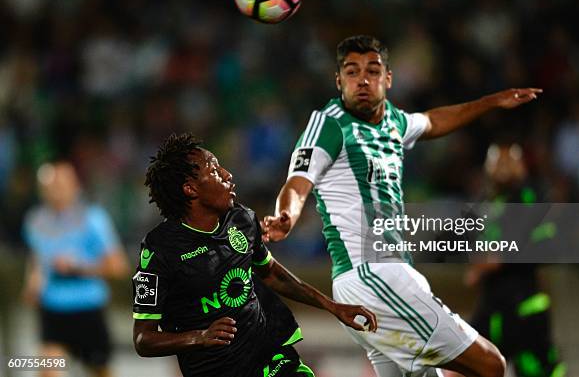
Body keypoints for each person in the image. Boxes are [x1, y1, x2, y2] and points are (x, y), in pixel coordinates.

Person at [261, 35, 542, 377]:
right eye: (352, 72)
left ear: (388, 79)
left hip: (384, 279)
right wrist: (286, 215)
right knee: (491, 364)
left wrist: (492, 102)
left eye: (373, 70)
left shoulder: (393, 122)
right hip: (371, 275)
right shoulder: (328, 125)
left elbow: (433, 121)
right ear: (339, 81)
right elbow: (298, 182)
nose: (362, 79)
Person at [132, 133, 377, 377]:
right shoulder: (159, 250)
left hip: (270, 355)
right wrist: (199, 337)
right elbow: (144, 339)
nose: (228, 175)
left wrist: (332, 307)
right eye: (215, 170)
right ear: (190, 188)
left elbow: (271, 273)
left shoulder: (242, 219)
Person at [462, 142, 565, 377]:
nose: (503, 168)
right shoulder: (485, 202)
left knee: (540, 370)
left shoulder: (530, 196)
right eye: (497, 161)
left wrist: (496, 260)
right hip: (492, 304)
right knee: (467, 366)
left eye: (510, 161)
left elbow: (544, 247)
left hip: (524, 304)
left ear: (522, 166)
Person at [22, 161, 129, 377]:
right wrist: (33, 281)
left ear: (75, 186)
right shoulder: (35, 221)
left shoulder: (93, 219)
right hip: (52, 311)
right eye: (50, 185)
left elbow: (119, 266)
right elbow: (37, 257)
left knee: (100, 371)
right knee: (49, 371)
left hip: (87, 310)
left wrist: (78, 268)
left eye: (61, 184)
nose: (55, 190)